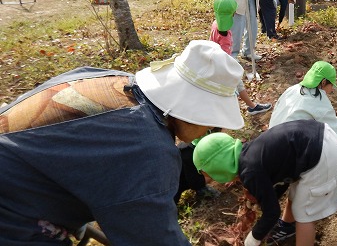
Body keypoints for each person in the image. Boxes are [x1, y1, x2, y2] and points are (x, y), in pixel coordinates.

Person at [0, 40, 245, 245]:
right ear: (195, 110)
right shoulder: (148, 152)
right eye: (211, 119)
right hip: (12, 213)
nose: (209, 129)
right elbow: (153, 239)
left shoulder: (112, 79)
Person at [193, 119, 337, 246]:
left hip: (320, 154)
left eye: (211, 175)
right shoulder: (249, 153)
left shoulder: (250, 172)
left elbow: (272, 212)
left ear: (219, 168)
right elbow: (282, 180)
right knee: (296, 196)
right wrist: (264, 199)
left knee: (304, 215)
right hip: (319, 135)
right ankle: (286, 226)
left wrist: (253, 239)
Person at [269, 60, 337, 150]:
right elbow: (333, 128)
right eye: (331, 85)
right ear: (324, 82)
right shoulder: (319, 101)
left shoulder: (292, 89)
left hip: (269, 139)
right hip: (287, 148)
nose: (332, 89)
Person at [209, 0, 271, 115]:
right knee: (236, 85)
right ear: (232, 13)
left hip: (213, 60)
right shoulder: (225, 36)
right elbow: (225, 57)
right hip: (222, 65)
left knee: (235, 86)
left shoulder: (215, 23)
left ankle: (250, 106)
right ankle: (251, 107)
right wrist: (234, 69)